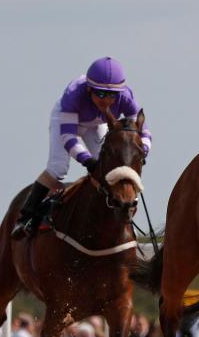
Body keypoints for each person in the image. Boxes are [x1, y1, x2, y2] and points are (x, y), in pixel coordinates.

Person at [11, 57, 151, 238]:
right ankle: (26, 216)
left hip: (96, 123)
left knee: (110, 167)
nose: (107, 100)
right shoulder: (73, 96)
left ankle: (113, 212)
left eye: (111, 95)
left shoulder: (126, 97)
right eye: (100, 94)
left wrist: (142, 151)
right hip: (68, 122)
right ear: (89, 89)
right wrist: (87, 161)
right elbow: (69, 137)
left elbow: (144, 133)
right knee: (58, 168)